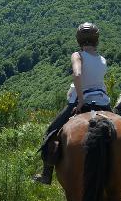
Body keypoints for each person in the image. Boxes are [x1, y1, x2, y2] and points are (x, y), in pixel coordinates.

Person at [33, 22, 111, 184]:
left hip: (83, 100)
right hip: (103, 102)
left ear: (79, 40)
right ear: (96, 39)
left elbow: (77, 74)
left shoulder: (78, 55)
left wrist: (81, 100)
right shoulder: (102, 59)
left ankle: (46, 174)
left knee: (51, 131)